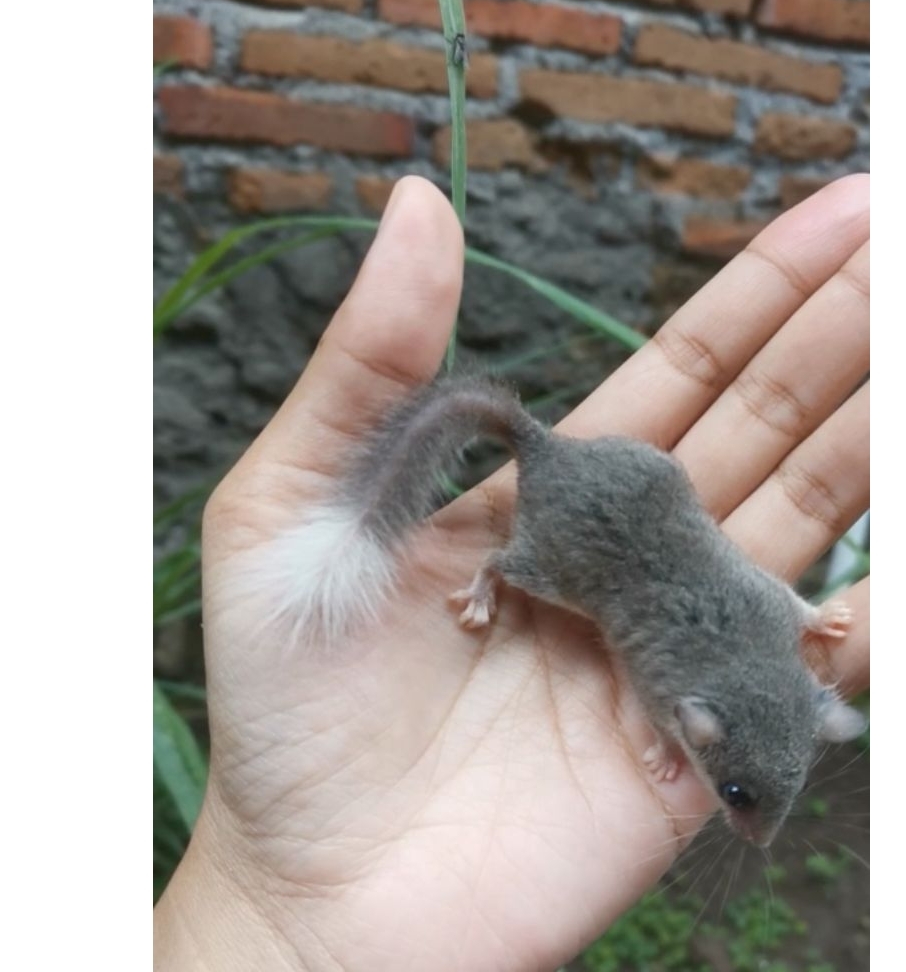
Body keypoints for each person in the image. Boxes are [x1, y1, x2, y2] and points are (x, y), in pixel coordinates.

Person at [154, 174, 869, 971]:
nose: (749, 824)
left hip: (640, 475)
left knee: (667, 514)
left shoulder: (773, 631)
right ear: (703, 731)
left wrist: (805, 615)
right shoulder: (686, 705)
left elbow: (761, 592)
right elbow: (657, 682)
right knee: (549, 574)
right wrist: (495, 582)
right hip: (576, 527)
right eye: (736, 799)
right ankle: (495, 573)